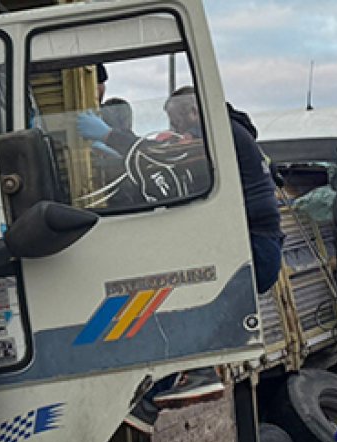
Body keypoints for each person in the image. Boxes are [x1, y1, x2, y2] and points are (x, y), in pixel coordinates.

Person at [77, 86, 284, 294]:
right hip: (257, 239)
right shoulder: (228, 129)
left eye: (177, 123)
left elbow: (166, 155)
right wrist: (122, 158)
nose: (177, 131)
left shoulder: (216, 131)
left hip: (254, 244)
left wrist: (110, 136)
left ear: (194, 112)